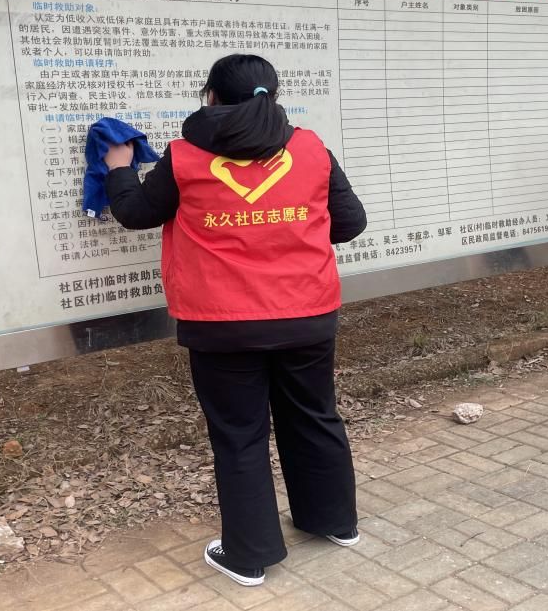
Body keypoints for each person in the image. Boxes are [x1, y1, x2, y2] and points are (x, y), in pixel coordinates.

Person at [104, 54, 367, 586]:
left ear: (211, 97)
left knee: (240, 435)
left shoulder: (185, 156)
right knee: (315, 416)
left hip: (222, 323)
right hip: (307, 313)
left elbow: (135, 212)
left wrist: (118, 168)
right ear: (273, 94)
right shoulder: (310, 148)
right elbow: (350, 223)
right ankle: (334, 522)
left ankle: (249, 555)